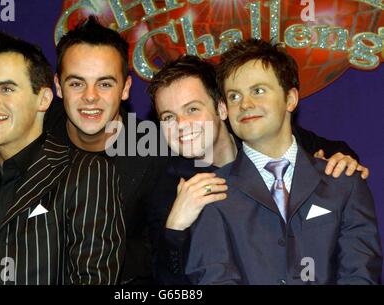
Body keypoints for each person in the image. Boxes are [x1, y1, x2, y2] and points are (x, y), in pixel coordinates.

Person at [0, 16, 166, 285]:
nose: (90, 97)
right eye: (76, 83)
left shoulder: (152, 154)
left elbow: (161, 256)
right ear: (57, 87)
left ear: (125, 88)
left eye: (104, 84)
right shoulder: (36, 125)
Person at [147, 55, 370, 284]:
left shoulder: (259, 134)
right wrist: (174, 229)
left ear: (221, 108)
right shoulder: (168, 192)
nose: (182, 124)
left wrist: (343, 160)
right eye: (168, 117)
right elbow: (170, 285)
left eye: (192, 109)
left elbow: (325, 152)